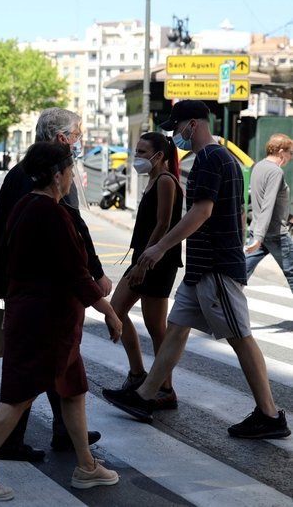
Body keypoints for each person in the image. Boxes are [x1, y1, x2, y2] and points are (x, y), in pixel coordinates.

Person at [103, 100, 290, 439]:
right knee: (175, 330)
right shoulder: (220, 158)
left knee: (240, 338)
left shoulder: (208, 159)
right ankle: (146, 395)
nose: (176, 135)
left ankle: (270, 414)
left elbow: (201, 212)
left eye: (177, 128)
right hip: (203, 266)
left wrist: (160, 247)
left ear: (194, 124)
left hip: (215, 267)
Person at [0, 142, 122, 501]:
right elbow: (76, 273)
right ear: (57, 174)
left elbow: (2, 250)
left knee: (74, 390)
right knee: (18, 397)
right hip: (43, 323)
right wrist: (109, 312)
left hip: (48, 321)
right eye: (70, 170)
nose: (73, 177)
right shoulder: (49, 212)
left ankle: (87, 466)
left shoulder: (25, 205)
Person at [0, 108, 111, 461]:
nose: (80, 140)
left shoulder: (16, 174)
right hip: (47, 293)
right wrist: (97, 278)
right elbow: (76, 234)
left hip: (21, 285)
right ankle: (2, 448)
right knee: (36, 366)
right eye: (78, 133)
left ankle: (66, 431)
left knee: (58, 363)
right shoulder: (56, 175)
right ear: (62, 139)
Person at [110, 132, 183, 409]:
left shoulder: (165, 180)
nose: (137, 157)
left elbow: (163, 224)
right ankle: (138, 374)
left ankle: (165, 388)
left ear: (159, 156)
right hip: (144, 259)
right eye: (137, 151)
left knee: (156, 328)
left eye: (142, 152)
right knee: (115, 311)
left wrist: (144, 262)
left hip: (156, 262)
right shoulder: (153, 179)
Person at [245, 133, 293, 293]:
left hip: (257, 230)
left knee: (239, 274)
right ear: (281, 151)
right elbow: (268, 204)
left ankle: (217, 303)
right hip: (275, 235)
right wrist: (259, 238)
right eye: (290, 153)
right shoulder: (276, 172)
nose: (291, 157)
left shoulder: (259, 166)